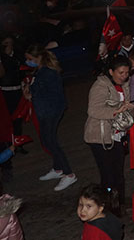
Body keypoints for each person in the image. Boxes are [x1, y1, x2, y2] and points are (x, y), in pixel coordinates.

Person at [23, 44, 77, 191]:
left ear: (39, 57)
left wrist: (30, 92)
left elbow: (48, 93)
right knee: (46, 140)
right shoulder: (39, 71)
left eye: (30, 59)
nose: (28, 61)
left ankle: (69, 173)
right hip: (44, 110)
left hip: (50, 111)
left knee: (51, 141)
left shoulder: (48, 73)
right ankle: (58, 168)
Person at [84, 56, 134, 208]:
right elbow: (93, 110)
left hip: (117, 135)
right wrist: (115, 111)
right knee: (107, 174)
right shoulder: (100, 86)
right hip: (100, 137)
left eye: (126, 73)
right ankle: (106, 204)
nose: (124, 76)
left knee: (118, 173)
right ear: (111, 71)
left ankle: (119, 203)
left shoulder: (126, 84)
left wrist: (132, 109)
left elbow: (127, 105)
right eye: (121, 73)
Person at [0, 36, 25, 157]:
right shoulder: (2, 58)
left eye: (9, 43)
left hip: (18, 91)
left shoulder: (18, 56)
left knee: (18, 119)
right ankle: (8, 145)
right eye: (5, 43)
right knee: (7, 120)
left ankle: (18, 144)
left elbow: (24, 70)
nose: (7, 46)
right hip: (5, 92)